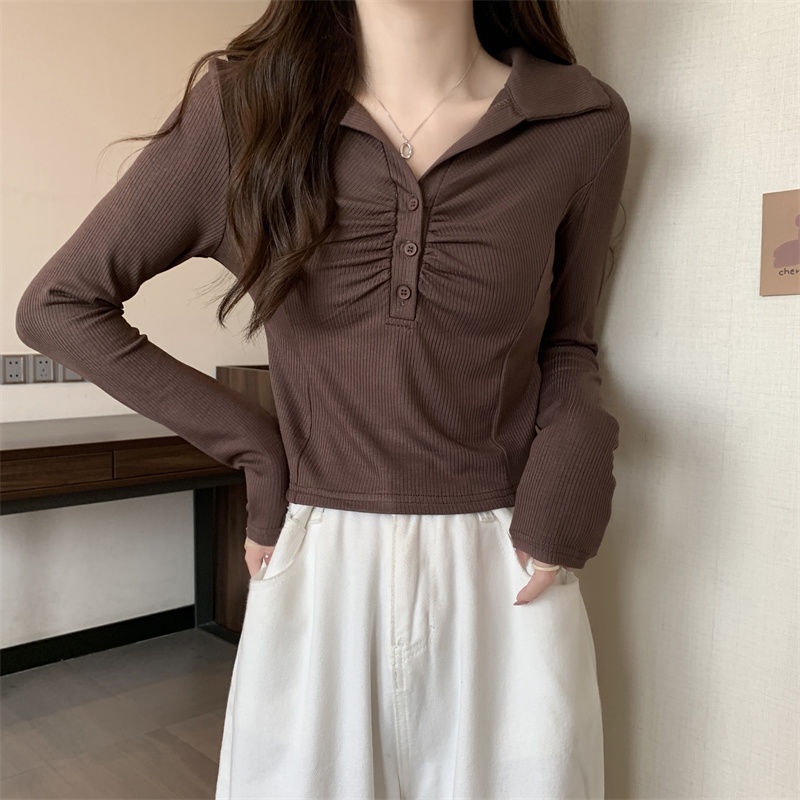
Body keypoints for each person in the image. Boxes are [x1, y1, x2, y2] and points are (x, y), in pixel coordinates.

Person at [15, 0, 631, 797]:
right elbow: (59, 305)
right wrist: (258, 449)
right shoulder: (244, 111)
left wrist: (575, 458)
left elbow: (570, 343)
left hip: (506, 564)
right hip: (317, 559)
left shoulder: (582, 121)